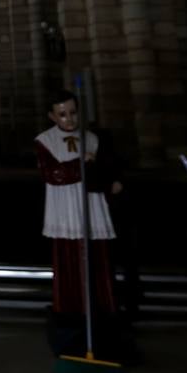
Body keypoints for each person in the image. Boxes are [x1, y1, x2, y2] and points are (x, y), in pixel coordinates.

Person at [35, 91, 122, 318]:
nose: (69, 119)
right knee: (69, 262)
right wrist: (79, 163)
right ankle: (70, 312)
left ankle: (101, 311)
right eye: (62, 114)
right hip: (65, 208)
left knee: (96, 261)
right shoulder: (45, 141)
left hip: (91, 206)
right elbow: (51, 173)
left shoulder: (92, 138)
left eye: (73, 113)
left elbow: (102, 172)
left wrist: (109, 183)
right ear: (53, 117)